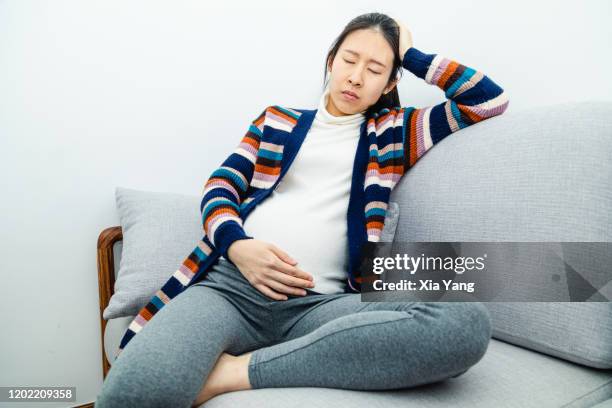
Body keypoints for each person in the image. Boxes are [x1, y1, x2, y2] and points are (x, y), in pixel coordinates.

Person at [96, 12, 508, 408]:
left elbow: (488, 102)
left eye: (376, 68)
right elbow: (221, 186)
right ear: (331, 61)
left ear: (388, 83)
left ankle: (235, 373)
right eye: (349, 60)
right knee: (131, 396)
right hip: (230, 290)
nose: (356, 76)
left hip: (322, 306)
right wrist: (237, 246)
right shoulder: (277, 121)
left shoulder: (396, 133)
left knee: (463, 321)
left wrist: (412, 54)